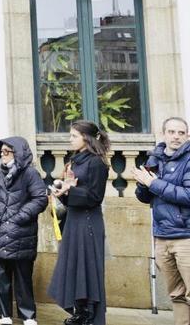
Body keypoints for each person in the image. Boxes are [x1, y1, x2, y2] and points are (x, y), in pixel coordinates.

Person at [48, 120, 110, 325]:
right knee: (73, 266)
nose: (70, 139)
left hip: (88, 222)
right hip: (74, 220)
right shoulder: (75, 161)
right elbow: (73, 194)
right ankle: (80, 312)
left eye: (74, 136)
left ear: (86, 137)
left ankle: (89, 315)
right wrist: (63, 192)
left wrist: (70, 190)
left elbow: (95, 197)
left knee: (88, 267)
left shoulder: (97, 162)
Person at [0, 137, 47, 325]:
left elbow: (40, 199)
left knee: (23, 277)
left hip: (21, 232)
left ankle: (28, 316)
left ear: (17, 153)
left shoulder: (30, 173)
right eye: (1, 152)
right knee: (1, 277)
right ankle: (4, 315)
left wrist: (19, 218)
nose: (3, 155)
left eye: (7, 152)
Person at [136, 117, 190, 325]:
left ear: (187, 135)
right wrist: (143, 184)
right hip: (162, 236)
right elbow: (144, 197)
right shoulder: (155, 159)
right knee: (176, 293)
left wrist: (154, 183)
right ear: (163, 134)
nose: (176, 136)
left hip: (185, 237)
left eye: (180, 133)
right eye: (171, 132)